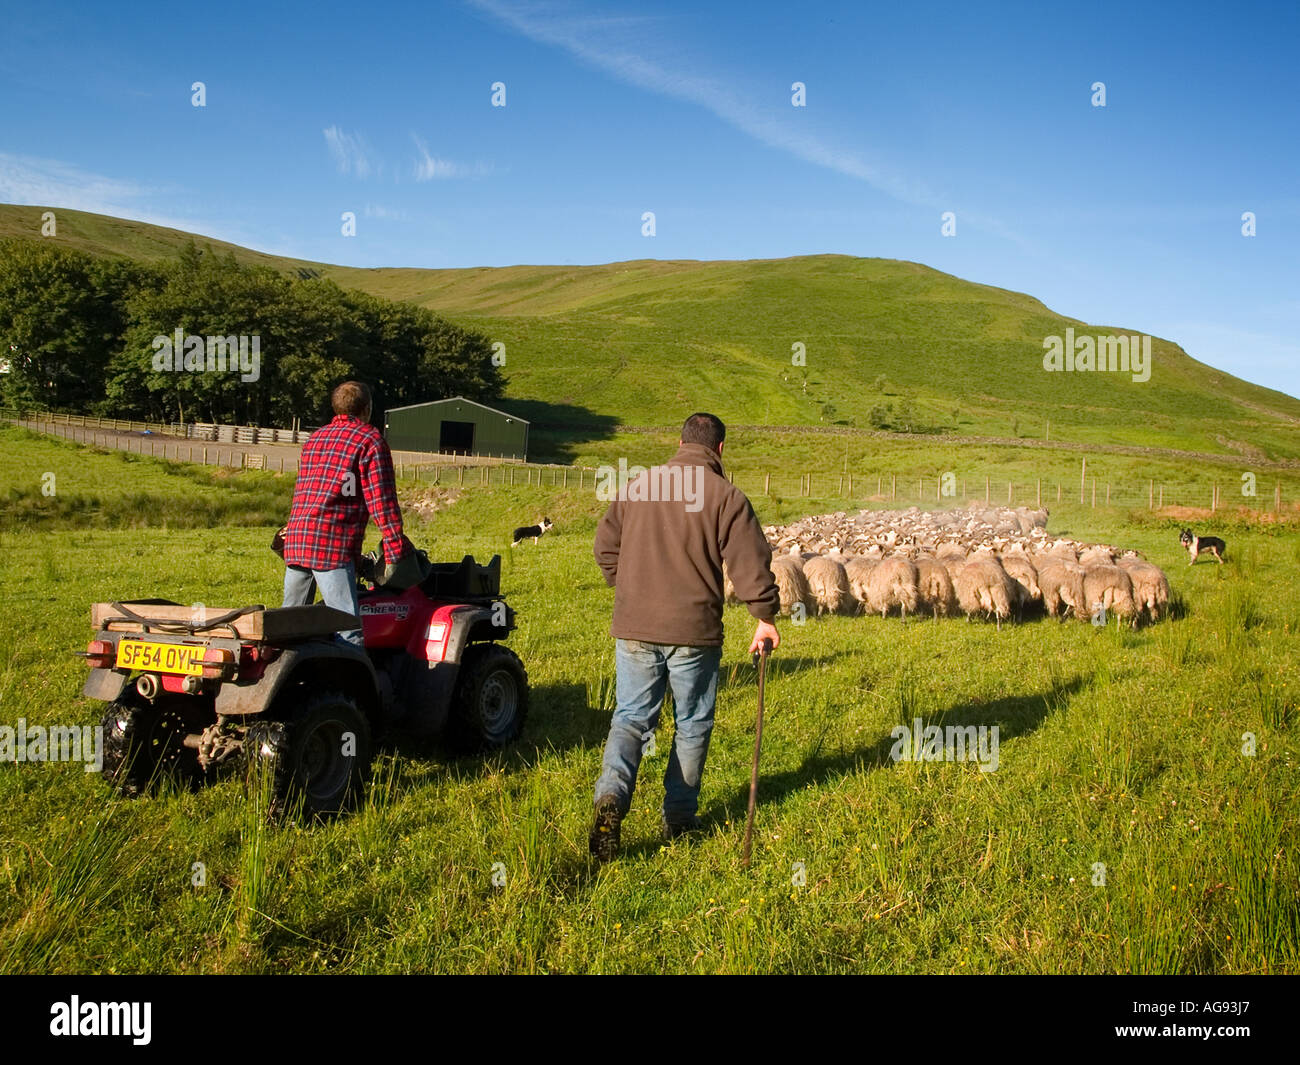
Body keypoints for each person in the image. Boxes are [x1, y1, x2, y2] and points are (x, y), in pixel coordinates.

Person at [589, 412, 780, 862]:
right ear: (719, 451)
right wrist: (764, 615)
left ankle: (611, 799)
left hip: (635, 625)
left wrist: (630, 587)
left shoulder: (639, 486)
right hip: (695, 632)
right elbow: (749, 562)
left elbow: (604, 547)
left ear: (679, 443)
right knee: (691, 723)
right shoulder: (726, 496)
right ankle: (678, 819)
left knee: (631, 718)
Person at [281, 381, 408, 646]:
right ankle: (352, 687)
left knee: (288, 627)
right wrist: (396, 547)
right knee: (346, 628)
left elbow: (305, 490)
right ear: (367, 408)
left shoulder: (315, 439)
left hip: (297, 539)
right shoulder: (370, 440)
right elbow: (381, 500)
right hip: (331, 546)